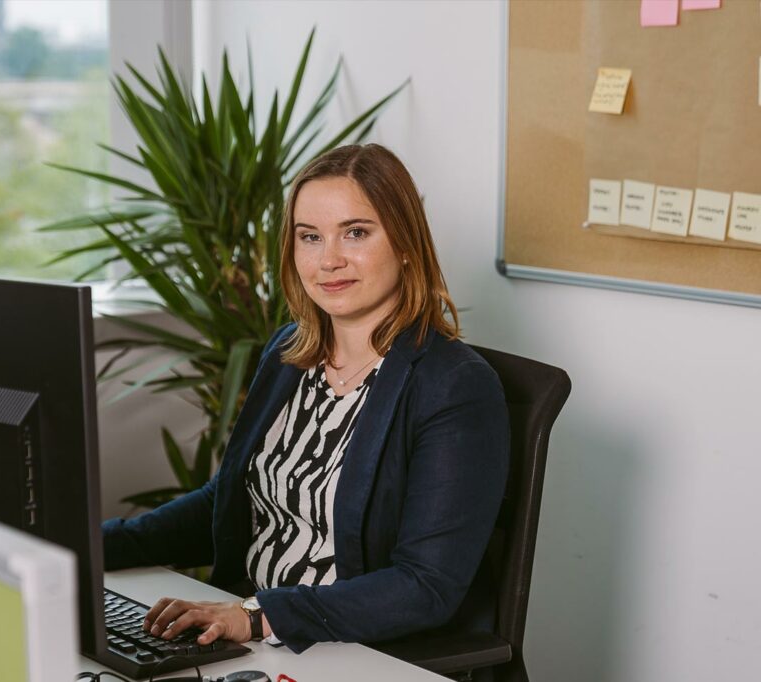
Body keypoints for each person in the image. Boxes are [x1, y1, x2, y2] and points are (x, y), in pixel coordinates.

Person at [102, 143, 509, 655]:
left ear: (406, 243)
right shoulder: (289, 351)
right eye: (310, 237)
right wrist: (101, 544)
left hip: (350, 650)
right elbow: (234, 499)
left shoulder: (453, 387)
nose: (329, 260)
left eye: (356, 233)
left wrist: (255, 615)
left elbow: (425, 586)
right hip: (249, 638)